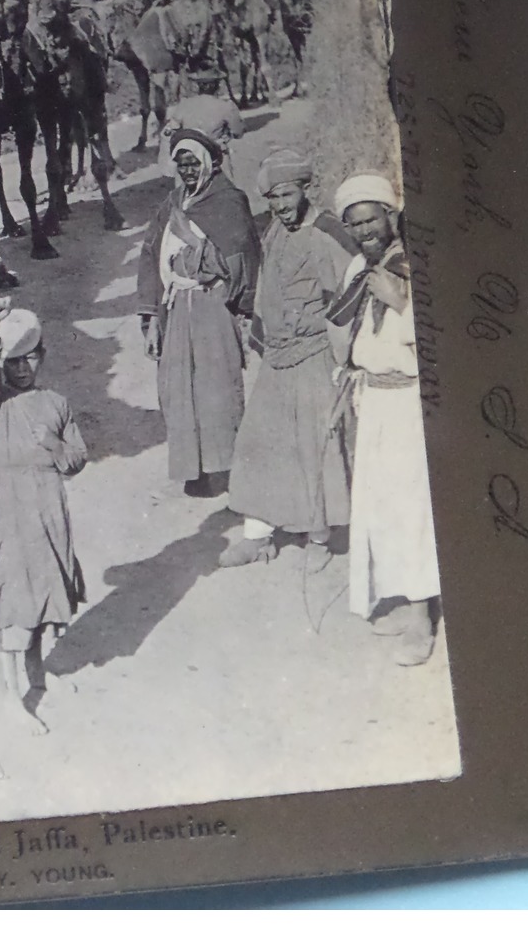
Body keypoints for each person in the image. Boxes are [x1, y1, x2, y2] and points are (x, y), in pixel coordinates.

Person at [220, 151, 356, 568]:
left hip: (316, 355)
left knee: (315, 445)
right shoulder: (275, 232)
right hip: (279, 357)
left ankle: (319, 537)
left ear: (304, 188)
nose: (279, 204)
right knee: (258, 440)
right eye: (272, 197)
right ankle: (258, 535)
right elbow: (267, 291)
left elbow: (350, 296)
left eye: (285, 194)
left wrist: (342, 357)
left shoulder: (329, 232)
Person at [329, 173, 442, 666]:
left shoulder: (416, 265)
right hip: (372, 398)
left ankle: (422, 619)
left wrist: (403, 303)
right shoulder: (359, 265)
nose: (364, 231)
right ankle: (401, 596)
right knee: (379, 505)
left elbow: (441, 336)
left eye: (371, 220)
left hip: (408, 402)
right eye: (354, 224)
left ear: (390, 216)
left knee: (412, 506)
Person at [0, 297, 87, 735]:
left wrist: (54, 446)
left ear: (42, 357)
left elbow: (77, 458)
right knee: (10, 597)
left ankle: (38, 677)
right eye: (12, 361)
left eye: (29, 358)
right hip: (7, 507)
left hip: (48, 506)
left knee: (43, 589)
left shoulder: (57, 403)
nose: (21, 368)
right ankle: (10, 696)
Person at [137, 130, 261, 497]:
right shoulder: (172, 202)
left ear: (210, 165)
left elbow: (240, 261)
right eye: (181, 164)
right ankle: (195, 469)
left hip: (212, 305)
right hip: (177, 309)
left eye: (194, 163)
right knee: (178, 389)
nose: (187, 170)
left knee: (215, 387)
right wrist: (151, 320)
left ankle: (227, 467)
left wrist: (193, 244)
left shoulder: (229, 202)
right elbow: (150, 255)